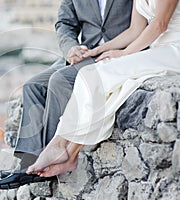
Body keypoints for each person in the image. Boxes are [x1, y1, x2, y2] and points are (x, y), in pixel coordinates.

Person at [26, 0, 180, 178]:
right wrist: (98, 50)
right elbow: (135, 30)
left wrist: (124, 54)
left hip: (173, 51)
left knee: (99, 76)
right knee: (98, 79)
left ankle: (59, 145)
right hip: (155, 52)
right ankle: (69, 154)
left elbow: (159, 24)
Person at [0, 0, 133, 190]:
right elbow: (64, 23)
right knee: (32, 86)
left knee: (59, 80)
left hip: (120, 54)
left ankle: (50, 160)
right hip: (85, 53)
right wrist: (70, 48)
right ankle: (27, 163)